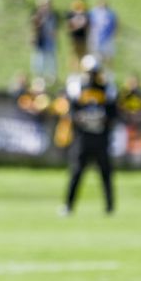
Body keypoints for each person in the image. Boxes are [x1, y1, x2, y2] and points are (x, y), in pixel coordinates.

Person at [60, 55, 118, 216]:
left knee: (105, 173)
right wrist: (85, 118)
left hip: (100, 138)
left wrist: (100, 119)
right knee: (76, 173)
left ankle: (110, 207)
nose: (91, 76)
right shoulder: (77, 88)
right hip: (82, 139)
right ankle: (68, 206)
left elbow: (113, 115)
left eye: (94, 72)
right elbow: (72, 114)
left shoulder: (107, 89)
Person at [88, 0, 119, 66]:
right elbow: (89, 25)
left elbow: (116, 25)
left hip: (108, 39)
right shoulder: (92, 12)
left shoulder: (111, 14)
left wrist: (114, 35)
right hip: (95, 39)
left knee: (108, 58)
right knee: (95, 59)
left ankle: (109, 74)